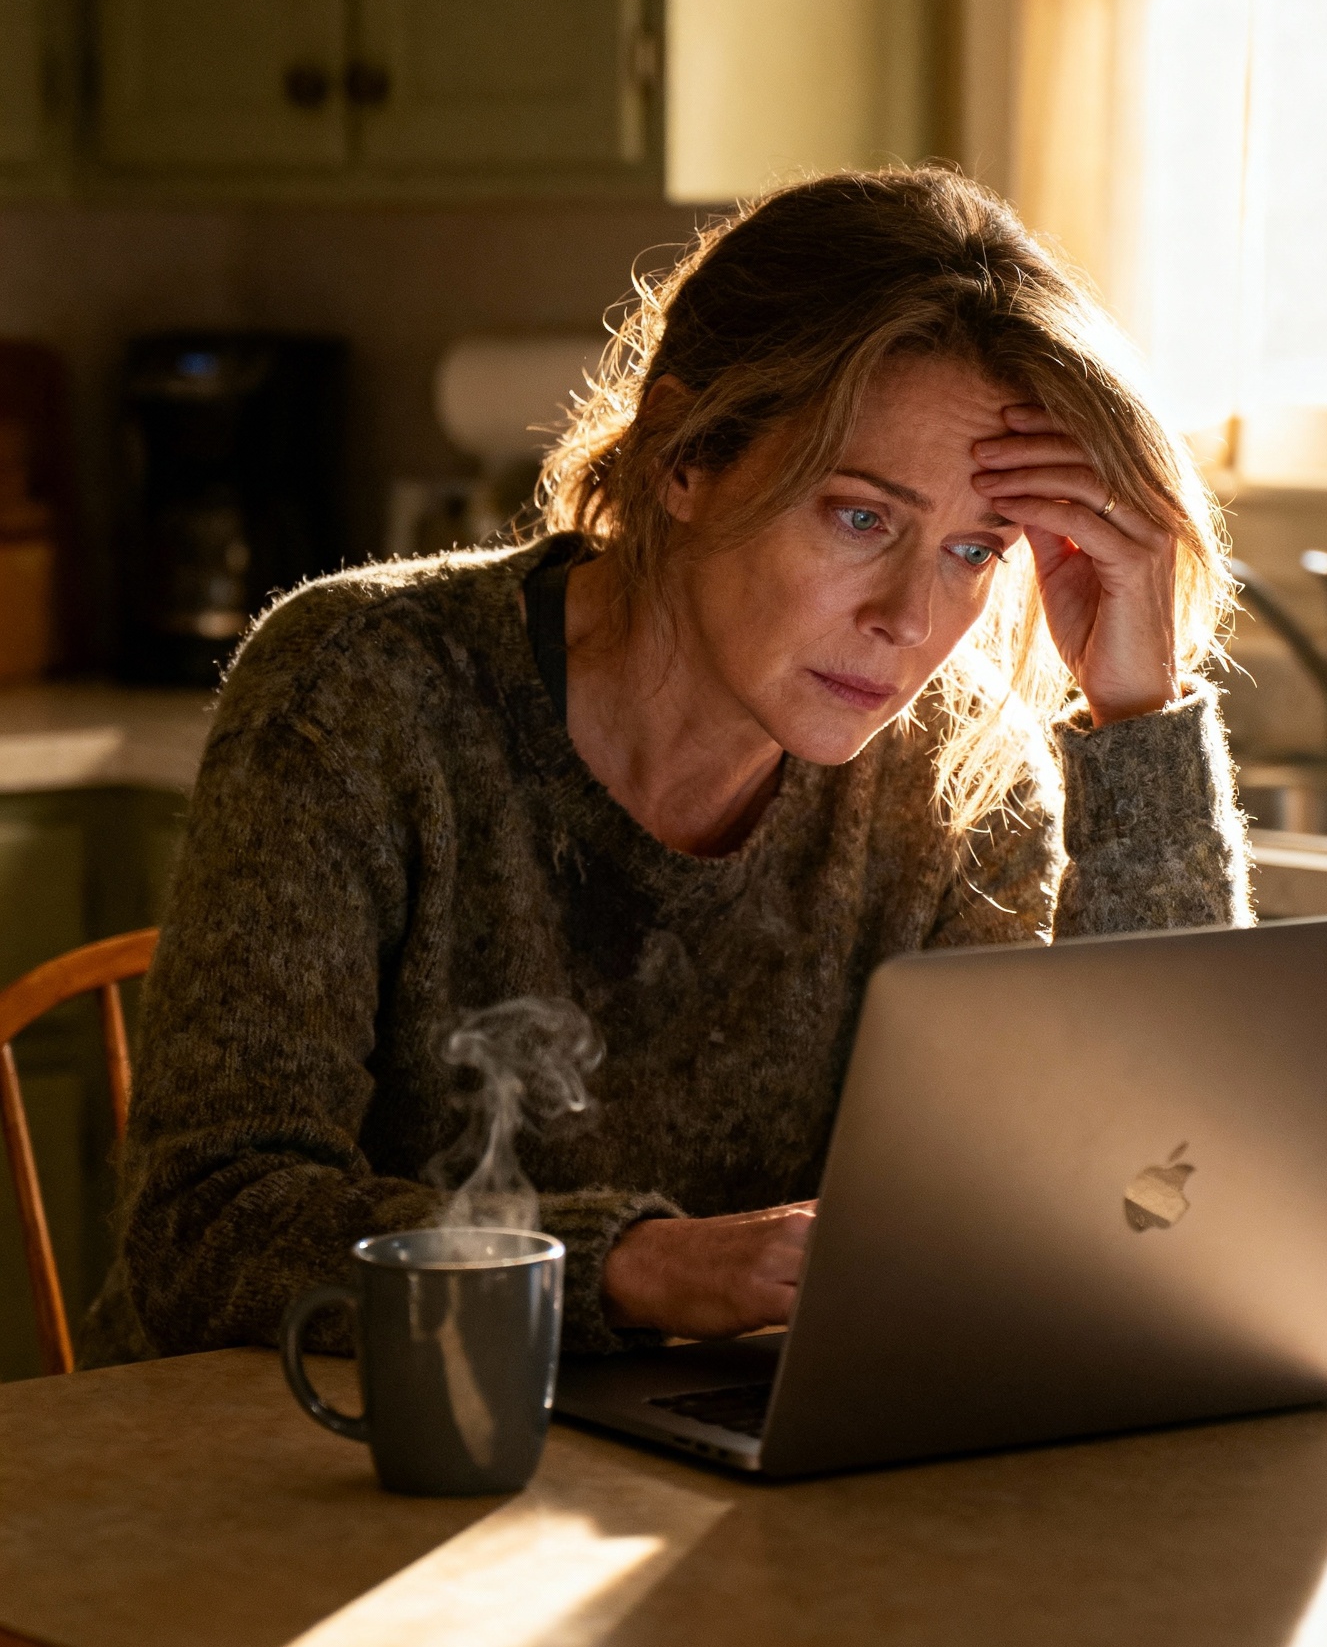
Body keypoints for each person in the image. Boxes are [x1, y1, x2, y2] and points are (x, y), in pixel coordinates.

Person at [82, 167, 1249, 1368]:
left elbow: (1155, 1192)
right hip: (293, 1463)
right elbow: (207, 1229)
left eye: (971, 549)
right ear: (684, 455)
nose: (910, 617)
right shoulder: (363, 690)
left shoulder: (956, 775)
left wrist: (1137, 716)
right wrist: (633, 1270)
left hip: (699, 1483)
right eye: (859, 519)